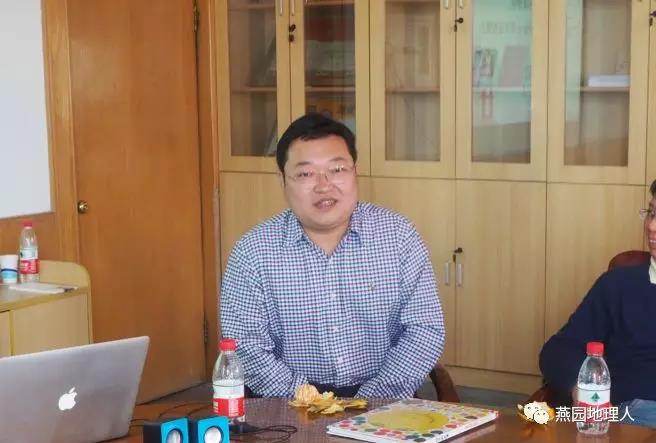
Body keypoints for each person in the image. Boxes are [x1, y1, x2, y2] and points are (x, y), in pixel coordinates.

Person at [220, 113, 445, 398]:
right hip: (286, 402)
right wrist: (311, 403)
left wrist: (369, 402)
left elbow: (424, 330)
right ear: (282, 180)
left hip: (383, 399)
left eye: (337, 169)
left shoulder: (399, 237)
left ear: (355, 172)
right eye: (305, 174)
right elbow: (245, 347)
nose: (324, 185)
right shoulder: (253, 252)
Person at [539, 179, 656, 427]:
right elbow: (558, 351)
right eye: (652, 213)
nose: (651, 226)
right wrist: (580, 389)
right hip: (630, 414)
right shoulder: (619, 284)